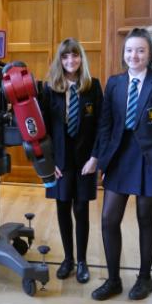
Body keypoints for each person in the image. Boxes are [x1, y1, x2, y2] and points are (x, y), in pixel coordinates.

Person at [91, 28, 152, 301]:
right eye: (130, 50)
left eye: (141, 50)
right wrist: (101, 158)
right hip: (120, 158)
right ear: (124, 53)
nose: (134, 55)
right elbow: (105, 125)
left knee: (146, 219)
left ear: (150, 54)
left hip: (150, 161)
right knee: (109, 219)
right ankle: (113, 280)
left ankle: (145, 278)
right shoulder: (115, 83)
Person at [41, 38, 103, 284]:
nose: (70, 61)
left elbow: (102, 126)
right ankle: (67, 259)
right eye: (65, 56)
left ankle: (81, 261)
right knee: (63, 208)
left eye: (75, 56)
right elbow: (42, 129)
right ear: (60, 59)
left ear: (81, 58)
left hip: (85, 161)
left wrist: (96, 157)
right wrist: (49, 161)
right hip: (60, 162)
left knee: (81, 209)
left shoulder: (93, 86)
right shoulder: (50, 88)